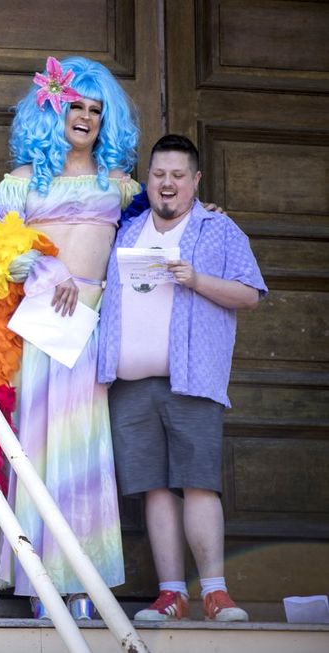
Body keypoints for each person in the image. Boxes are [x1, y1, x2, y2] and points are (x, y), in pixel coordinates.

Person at [0, 56, 142, 619]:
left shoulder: (122, 186)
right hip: (40, 329)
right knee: (41, 449)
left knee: (85, 456)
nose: (86, 117)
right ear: (53, 109)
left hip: (91, 333)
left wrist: (202, 213)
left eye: (97, 110)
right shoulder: (24, 182)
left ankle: (83, 583)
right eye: (76, 104)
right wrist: (49, 274)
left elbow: (159, 229)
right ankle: (41, 583)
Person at [98, 134, 265, 622]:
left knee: (197, 484)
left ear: (195, 181)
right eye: (158, 175)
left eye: (177, 176)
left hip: (191, 379)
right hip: (130, 382)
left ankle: (215, 591)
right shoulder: (126, 232)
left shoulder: (219, 229)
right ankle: (172, 594)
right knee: (153, 487)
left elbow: (250, 295)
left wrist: (197, 280)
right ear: (146, 180)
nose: (166, 184)